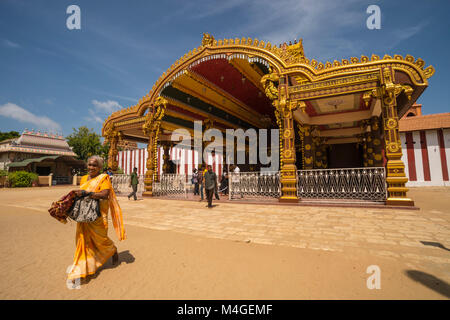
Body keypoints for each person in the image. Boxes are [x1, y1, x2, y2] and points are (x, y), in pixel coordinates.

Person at [68, 155, 126, 283]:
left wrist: (87, 193)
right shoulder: (83, 178)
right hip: (84, 215)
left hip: (98, 216)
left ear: (99, 167)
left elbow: (105, 195)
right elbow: (81, 193)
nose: (91, 167)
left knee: (101, 240)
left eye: (94, 165)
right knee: (84, 242)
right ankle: (86, 269)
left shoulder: (103, 179)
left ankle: (113, 249)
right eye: (89, 164)